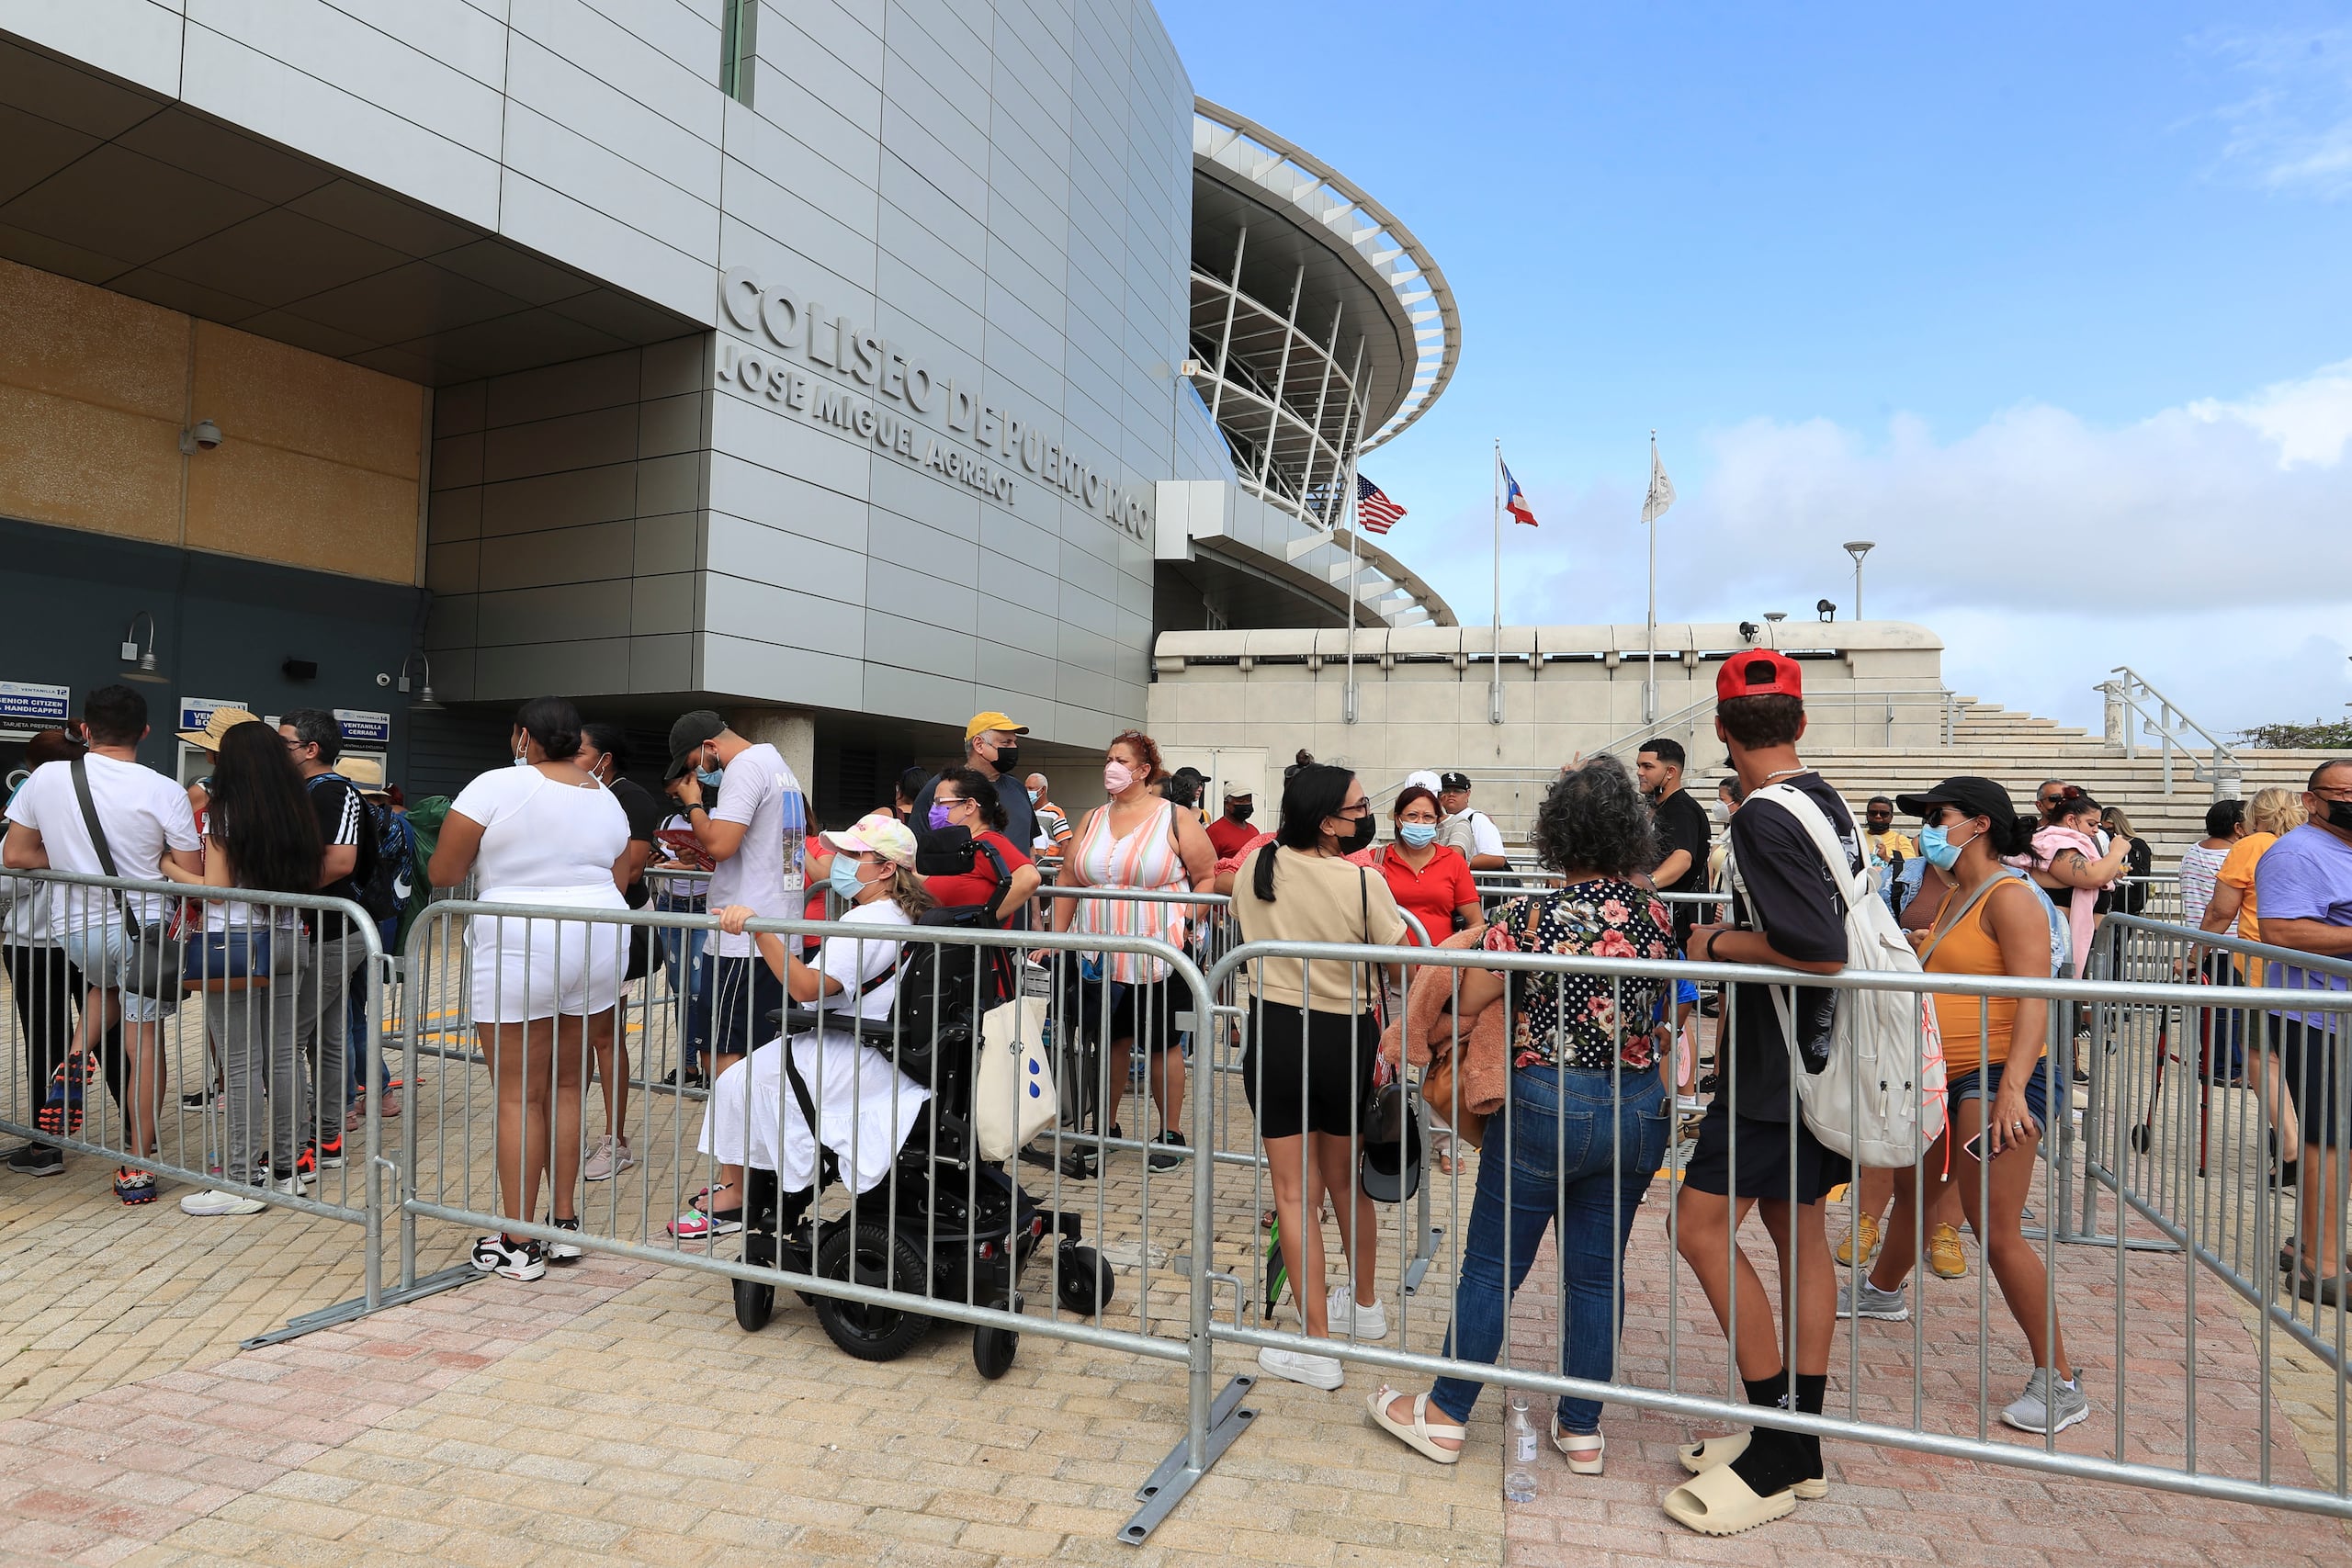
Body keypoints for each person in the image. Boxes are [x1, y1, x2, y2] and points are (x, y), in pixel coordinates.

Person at [1368, 757, 1676, 1470]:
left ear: (1558, 831)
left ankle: (1446, 1412)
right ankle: (1582, 1427)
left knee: (1492, 1266)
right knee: (1597, 1274)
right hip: (1635, 1104)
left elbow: (1472, 1000)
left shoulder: (1531, 914)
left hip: (1546, 1099)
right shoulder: (1656, 911)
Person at [1667, 650, 1849, 1535]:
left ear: (1722, 731)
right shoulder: (1827, 800)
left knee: (1698, 1227)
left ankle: (1782, 1442)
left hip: (1775, 1065)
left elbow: (1818, 947)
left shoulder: (1760, 817)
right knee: (1798, 1228)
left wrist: (1719, 944)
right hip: (1815, 1052)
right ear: (1802, 724)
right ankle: (1794, 1437)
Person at [1841, 777, 2084, 1431]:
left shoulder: (2012, 898)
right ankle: (1881, 1292)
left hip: (1997, 1076)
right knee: (1920, 1188)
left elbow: (2037, 997)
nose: (1928, 826)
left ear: (1979, 824)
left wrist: (2011, 1092)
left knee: (1995, 1230)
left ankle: (2060, 1379)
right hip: (1950, 1073)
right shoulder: (1956, 895)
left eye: (1939, 816)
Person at [429, 697, 631, 1280]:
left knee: (520, 1095)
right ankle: (563, 1225)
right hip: (597, 937)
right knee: (569, 1086)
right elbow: (615, 868)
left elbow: (444, 872)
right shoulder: (605, 794)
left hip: (520, 940)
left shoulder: (496, 784)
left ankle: (518, 1239)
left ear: (524, 736)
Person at [1227, 761, 1408, 1388]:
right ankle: (1365, 1307)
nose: (1366, 815)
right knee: (1343, 1180)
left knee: (1293, 1193)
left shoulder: (1256, 866)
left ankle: (1318, 1345)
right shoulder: (1363, 884)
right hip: (1346, 1038)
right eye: (1357, 808)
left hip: (1278, 1032)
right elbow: (1400, 964)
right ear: (1328, 821)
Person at [683, 814, 931, 1240]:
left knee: (732, 1082)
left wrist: (758, 930)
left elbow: (807, 988)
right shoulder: (904, 914)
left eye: (854, 855)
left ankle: (737, 1192)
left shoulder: (866, 922)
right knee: (750, 1077)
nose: (840, 861)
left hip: (851, 1046)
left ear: (888, 869)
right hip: (873, 1044)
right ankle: (757, 1182)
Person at [3, 686, 201, 1203]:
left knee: (104, 984)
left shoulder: (46, 778)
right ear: (145, 732)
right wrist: (157, 863)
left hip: (74, 929)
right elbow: (195, 875)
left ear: (86, 730)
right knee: (143, 1043)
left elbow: (18, 855)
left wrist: (71, 861)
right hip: (148, 929)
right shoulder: (164, 790)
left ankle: (75, 1054)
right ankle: (136, 1162)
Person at [167, 722, 324, 1215]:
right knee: (282, 1057)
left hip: (233, 944)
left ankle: (237, 1183)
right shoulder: (297, 809)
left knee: (238, 1064)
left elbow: (215, 888)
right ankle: (286, 1171)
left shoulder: (225, 812)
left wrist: (167, 868)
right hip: (288, 938)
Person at [1047, 730, 1216, 1171]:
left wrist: (1191, 927)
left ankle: (1171, 1133)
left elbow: (1206, 876)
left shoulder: (1176, 819)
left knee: (1163, 1044)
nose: (1111, 767)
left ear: (1144, 771)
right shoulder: (1091, 818)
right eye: (1108, 758)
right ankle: (1105, 1126)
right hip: (1099, 954)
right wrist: (1052, 937)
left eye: (1121, 760)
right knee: (1109, 1040)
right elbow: (1067, 878)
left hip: (1163, 954)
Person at [3, 728, 128, 1180]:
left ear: (33, 770)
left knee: (46, 1041)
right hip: (94, 939)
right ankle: (136, 1137)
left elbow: (5, 876)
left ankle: (46, 1146)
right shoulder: (101, 813)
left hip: (33, 947)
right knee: (115, 1037)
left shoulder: (28, 817)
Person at [667, 710, 807, 1089]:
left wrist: (693, 804)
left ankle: (735, 1137)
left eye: (696, 764)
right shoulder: (777, 764)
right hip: (778, 929)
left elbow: (722, 845)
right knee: (766, 1048)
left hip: (742, 936)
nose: (699, 776)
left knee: (723, 1048)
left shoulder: (744, 768)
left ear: (710, 746)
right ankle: (757, 1137)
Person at [2258, 760, 2352, 1303]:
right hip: (2319, 1015)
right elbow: (2281, 929)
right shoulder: (2297, 852)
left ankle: (2319, 1241)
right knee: (2326, 1139)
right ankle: (2319, 1264)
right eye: (2343, 793)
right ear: (2311, 799)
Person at [278, 708, 372, 1179]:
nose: (279, 751)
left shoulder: (331, 792)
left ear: (310, 750)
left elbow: (338, 863)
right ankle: (328, 1138)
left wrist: (277, 888)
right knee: (327, 1038)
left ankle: (298, 1149)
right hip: (329, 931)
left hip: (330, 933)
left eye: (285, 744)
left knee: (289, 1039)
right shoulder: (316, 792)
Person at [576, 723, 662, 1181]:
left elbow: (626, 875)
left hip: (614, 928)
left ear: (604, 758)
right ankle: (567, 1130)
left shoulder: (632, 799)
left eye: (581, 749)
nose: (572, 755)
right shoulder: (573, 793)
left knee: (605, 1034)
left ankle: (616, 1141)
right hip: (576, 930)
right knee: (573, 1036)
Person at [2204, 787, 2307, 1167]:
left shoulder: (2251, 845)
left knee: (2262, 1057)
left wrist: (2195, 953)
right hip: (2316, 968)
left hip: (2262, 969)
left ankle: (2292, 1143)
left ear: (2254, 816)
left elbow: (2220, 910)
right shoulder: (2313, 841)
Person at [2020, 788, 2130, 976]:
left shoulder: (2064, 844)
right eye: (2091, 823)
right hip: (2057, 949)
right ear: (2071, 820)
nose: (2096, 830)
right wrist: (2117, 852)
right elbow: (2095, 876)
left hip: (2071, 946)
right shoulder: (2055, 844)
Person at [923, 766, 1041, 924]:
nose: (933, 810)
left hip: (973, 946)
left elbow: (1029, 878)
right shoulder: (960, 846)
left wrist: (982, 919)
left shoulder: (986, 843)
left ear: (969, 806)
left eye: (940, 802)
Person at [910, 712, 1035, 857]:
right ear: (979, 744)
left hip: (1019, 879)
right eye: (1006, 743)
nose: (1014, 748)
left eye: (1014, 742)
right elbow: (917, 849)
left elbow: (1030, 847)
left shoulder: (1018, 788)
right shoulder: (943, 788)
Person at [1374, 784, 1480, 946]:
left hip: (1442, 965)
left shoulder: (1453, 861)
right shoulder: (1376, 859)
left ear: (1436, 821)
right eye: (1412, 815)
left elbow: (1475, 923)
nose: (1420, 822)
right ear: (1398, 819)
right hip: (1388, 967)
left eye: (1428, 817)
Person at [1636, 739, 1711, 951]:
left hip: (1680, 929)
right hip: (1662, 921)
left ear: (1670, 772)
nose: (1640, 772)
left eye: (1648, 766)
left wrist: (1645, 884)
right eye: (1639, 766)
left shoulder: (1681, 809)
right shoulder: (1656, 805)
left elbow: (1682, 858)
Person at [2180, 798, 2245, 931]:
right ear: (2238, 828)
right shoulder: (2235, 856)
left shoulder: (2192, 851)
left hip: (2196, 937)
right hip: (2231, 941)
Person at [1435, 772, 1509, 873]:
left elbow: (1496, 858)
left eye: (1457, 791)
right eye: (1446, 791)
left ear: (1468, 794)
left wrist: (1453, 864)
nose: (1451, 794)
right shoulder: (1433, 819)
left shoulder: (1478, 819)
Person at [2100, 807, 2154, 917]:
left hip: (2128, 902)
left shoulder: (2138, 845)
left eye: (2110, 829)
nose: (2109, 833)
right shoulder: (2102, 842)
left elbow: (2143, 872)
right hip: (2106, 901)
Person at [1026, 772, 1072, 879]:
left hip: (1046, 872)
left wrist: (1052, 868)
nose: (1027, 792)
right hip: (1029, 870)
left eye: (1031, 788)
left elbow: (1066, 843)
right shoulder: (1026, 811)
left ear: (1043, 790)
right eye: (1026, 789)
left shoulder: (1055, 812)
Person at [1206, 777, 1260, 862]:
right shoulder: (1214, 832)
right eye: (1241, 801)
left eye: (1248, 800)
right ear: (1227, 804)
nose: (1246, 804)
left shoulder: (1254, 831)